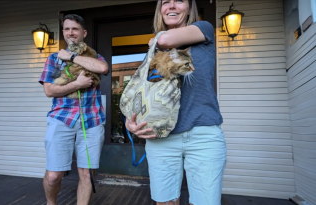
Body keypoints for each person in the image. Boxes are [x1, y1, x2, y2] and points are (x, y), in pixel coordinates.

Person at [125, 0, 227, 205]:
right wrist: (132, 120)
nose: (171, 6)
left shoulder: (203, 29)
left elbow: (165, 39)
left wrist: (155, 39)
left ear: (189, 7)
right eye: (165, 2)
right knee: (165, 203)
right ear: (160, 10)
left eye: (179, 1)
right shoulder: (153, 51)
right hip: (161, 137)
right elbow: (143, 92)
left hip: (203, 135)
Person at [38, 14, 108, 205]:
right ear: (63, 32)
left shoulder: (95, 57)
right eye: (67, 29)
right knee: (54, 175)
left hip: (92, 121)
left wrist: (71, 56)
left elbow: (102, 68)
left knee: (86, 174)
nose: (71, 33)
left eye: (75, 29)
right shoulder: (54, 59)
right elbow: (49, 90)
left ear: (83, 33)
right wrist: (77, 84)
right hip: (61, 118)